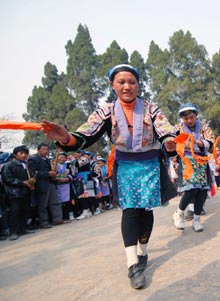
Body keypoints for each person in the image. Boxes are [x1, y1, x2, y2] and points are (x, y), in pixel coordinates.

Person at [41, 64, 178, 289]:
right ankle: (132, 263)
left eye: (132, 82)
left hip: (150, 165)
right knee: (131, 210)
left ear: (138, 85)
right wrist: (65, 137)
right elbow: (85, 134)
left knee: (146, 210)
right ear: (112, 85)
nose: (127, 87)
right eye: (121, 82)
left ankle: (143, 250)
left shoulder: (151, 108)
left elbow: (165, 130)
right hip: (125, 166)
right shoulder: (106, 111)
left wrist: (170, 142)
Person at [172, 103, 215, 232]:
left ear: (196, 115)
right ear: (182, 119)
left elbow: (212, 142)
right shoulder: (177, 129)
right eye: (186, 119)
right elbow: (172, 142)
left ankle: (196, 219)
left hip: (202, 160)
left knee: (202, 191)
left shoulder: (204, 127)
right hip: (187, 161)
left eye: (191, 117)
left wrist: (197, 142)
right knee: (191, 189)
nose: (189, 121)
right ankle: (179, 213)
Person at [0, 145, 35, 240]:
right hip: (14, 193)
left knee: (25, 210)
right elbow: (7, 179)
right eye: (21, 153)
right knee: (15, 212)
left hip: (25, 191)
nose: (24, 155)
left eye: (25, 153)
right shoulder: (9, 165)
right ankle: (13, 232)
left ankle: (22, 229)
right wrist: (22, 182)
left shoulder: (26, 165)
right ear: (15, 154)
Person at [27, 143, 64, 228]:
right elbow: (33, 173)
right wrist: (47, 173)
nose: (46, 151)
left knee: (55, 202)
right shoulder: (33, 159)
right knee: (42, 204)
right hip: (41, 184)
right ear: (38, 149)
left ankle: (57, 219)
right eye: (43, 149)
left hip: (50, 183)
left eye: (47, 149)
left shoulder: (47, 159)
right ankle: (44, 222)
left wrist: (54, 174)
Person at [54, 152, 75, 221]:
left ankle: (71, 214)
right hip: (58, 185)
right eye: (60, 157)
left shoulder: (69, 165)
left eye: (63, 157)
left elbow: (73, 174)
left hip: (67, 185)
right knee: (59, 202)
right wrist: (57, 179)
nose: (62, 159)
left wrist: (67, 178)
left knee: (69, 200)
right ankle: (62, 216)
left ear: (66, 158)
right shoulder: (54, 166)